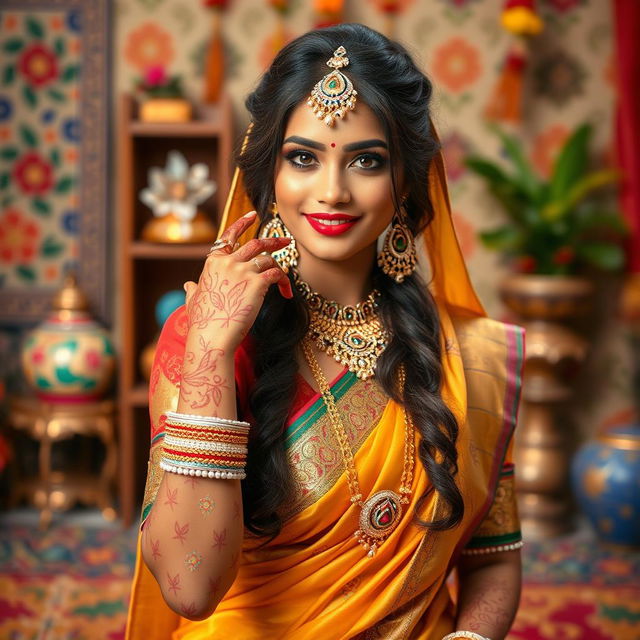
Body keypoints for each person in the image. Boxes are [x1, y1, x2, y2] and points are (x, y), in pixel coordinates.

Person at [125, 23, 524, 640]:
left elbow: (493, 555)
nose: (332, 192)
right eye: (303, 157)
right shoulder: (205, 338)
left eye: (367, 160)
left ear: (405, 184)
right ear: (271, 176)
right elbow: (189, 586)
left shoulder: (468, 354)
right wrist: (210, 351)